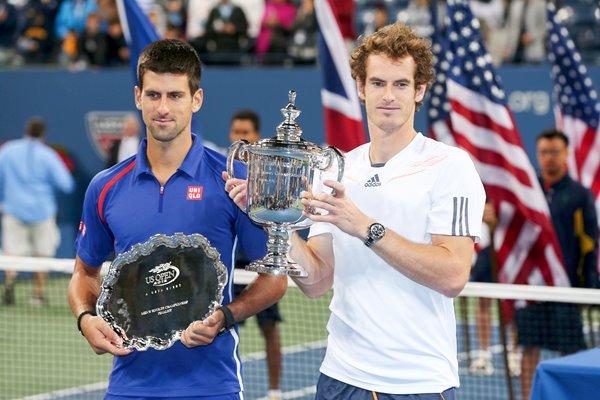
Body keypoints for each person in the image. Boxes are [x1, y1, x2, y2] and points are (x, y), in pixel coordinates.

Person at [226, 23, 486, 398]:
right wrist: (270, 216)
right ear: (361, 89)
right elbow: (317, 281)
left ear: (420, 90)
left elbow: (452, 276)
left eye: (401, 84)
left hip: (417, 383)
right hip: (340, 378)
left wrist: (365, 227)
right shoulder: (334, 168)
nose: (389, 96)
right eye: (378, 83)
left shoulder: (450, 165)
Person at [67, 39, 287, 399]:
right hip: (128, 387)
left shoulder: (235, 181)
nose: (163, 108)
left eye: (175, 95)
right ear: (138, 97)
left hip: (212, 387)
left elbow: (274, 280)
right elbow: (85, 274)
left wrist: (227, 316)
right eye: (154, 95)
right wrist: (85, 318)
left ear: (195, 100)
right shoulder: (104, 187)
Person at [516, 128, 598, 400]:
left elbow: (589, 243)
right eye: (543, 152)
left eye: (555, 152)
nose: (549, 157)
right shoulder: (526, 193)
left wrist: (588, 287)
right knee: (529, 348)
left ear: (566, 154)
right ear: (537, 154)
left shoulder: (579, 194)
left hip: (566, 289)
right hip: (531, 287)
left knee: (571, 352)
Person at [229, 109, 283, 400]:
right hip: (229, 264)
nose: (241, 137)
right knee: (221, 324)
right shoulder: (222, 171)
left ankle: (274, 392)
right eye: (236, 132)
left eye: (246, 132)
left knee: (269, 327)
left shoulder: (268, 174)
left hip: (260, 261)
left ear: (256, 136)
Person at [0, 117, 75, 306]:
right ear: (43, 134)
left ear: (26, 130)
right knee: (42, 256)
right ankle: (37, 296)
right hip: (42, 212)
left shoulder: (8, 151)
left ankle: (9, 285)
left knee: (12, 255)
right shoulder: (48, 155)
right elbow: (66, 184)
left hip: (13, 210)